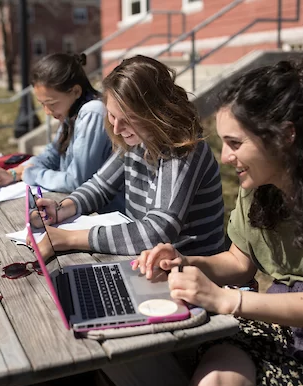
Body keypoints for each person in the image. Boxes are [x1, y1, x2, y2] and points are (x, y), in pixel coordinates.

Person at [130, 59, 303, 386]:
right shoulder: (257, 188)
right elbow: (239, 262)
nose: (225, 158)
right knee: (215, 378)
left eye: (235, 143)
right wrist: (184, 261)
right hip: (281, 328)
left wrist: (225, 299)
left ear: (285, 136)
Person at [34, 55, 225, 259]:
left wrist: (69, 238)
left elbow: (157, 231)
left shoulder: (184, 148)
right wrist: (62, 209)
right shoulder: (137, 138)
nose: (116, 128)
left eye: (128, 120)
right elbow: (100, 186)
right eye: (112, 116)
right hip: (146, 260)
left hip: (194, 270)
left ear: (156, 113)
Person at [0, 53, 123, 209]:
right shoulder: (71, 113)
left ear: (76, 91)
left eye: (51, 103)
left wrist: (30, 174)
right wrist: (14, 173)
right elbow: (51, 155)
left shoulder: (92, 112)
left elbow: (76, 180)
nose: (47, 111)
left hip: (106, 214)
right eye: (42, 104)